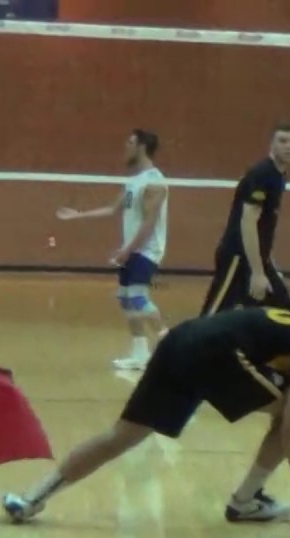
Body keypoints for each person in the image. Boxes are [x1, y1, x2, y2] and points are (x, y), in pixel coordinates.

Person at [0, 307, 290, 528]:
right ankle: (245, 500)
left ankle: (32, 498)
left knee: (121, 436)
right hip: (216, 354)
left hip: (180, 342)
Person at [56, 129, 169, 370]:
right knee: (126, 299)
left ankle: (169, 344)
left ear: (142, 147)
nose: (125, 146)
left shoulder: (154, 182)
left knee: (137, 297)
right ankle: (140, 355)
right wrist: (78, 215)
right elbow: (112, 209)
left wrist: (128, 250)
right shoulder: (133, 181)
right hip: (132, 250)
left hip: (146, 250)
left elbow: (149, 223)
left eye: (130, 142)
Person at [200, 123, 290, 317]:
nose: (288, 146)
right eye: (283, 141)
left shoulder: (279, 175)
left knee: (288, 316)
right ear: (272, 144)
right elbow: (248, 222)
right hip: (238, 258)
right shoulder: (262, 174)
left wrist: (266, 263)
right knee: (211, 318)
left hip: (258, 260)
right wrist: (258, 273)